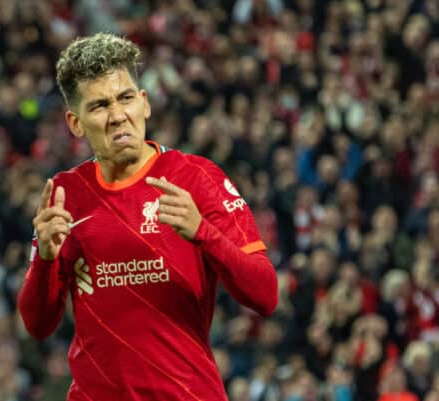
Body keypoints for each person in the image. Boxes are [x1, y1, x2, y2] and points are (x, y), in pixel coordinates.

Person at [17, 33, 278, 401]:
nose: (118, 116)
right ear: (75, 123)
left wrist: (202, 231)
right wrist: (45, 259)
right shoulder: (64, 194)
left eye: (125, 98)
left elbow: (265, 294)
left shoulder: (196, 178)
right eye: (99, 106)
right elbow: (37, 325)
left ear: (145, 104)